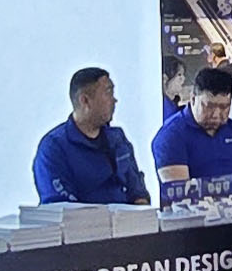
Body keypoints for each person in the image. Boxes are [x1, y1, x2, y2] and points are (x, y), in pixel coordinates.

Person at [33, 67, 151, 205]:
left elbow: (137, 189)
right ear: (85, 100)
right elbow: (60, 205)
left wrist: (141, 209)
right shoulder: (54, 147)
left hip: (126, 217)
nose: (114, 100)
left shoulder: (117, 138)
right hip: (83, 218)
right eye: (108, 92)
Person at [150, 67, 232, 195]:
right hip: (196, 207)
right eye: (209, 106)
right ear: (193, 99)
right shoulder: (171, 136)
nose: (216, 114)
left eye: (224, 107)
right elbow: (180, 195)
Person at [161, 55, 188, 121]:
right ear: (165, 79)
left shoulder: (173, 104)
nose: (183, 79)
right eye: (179, 75)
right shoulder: (163, 107)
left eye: (183, 75)